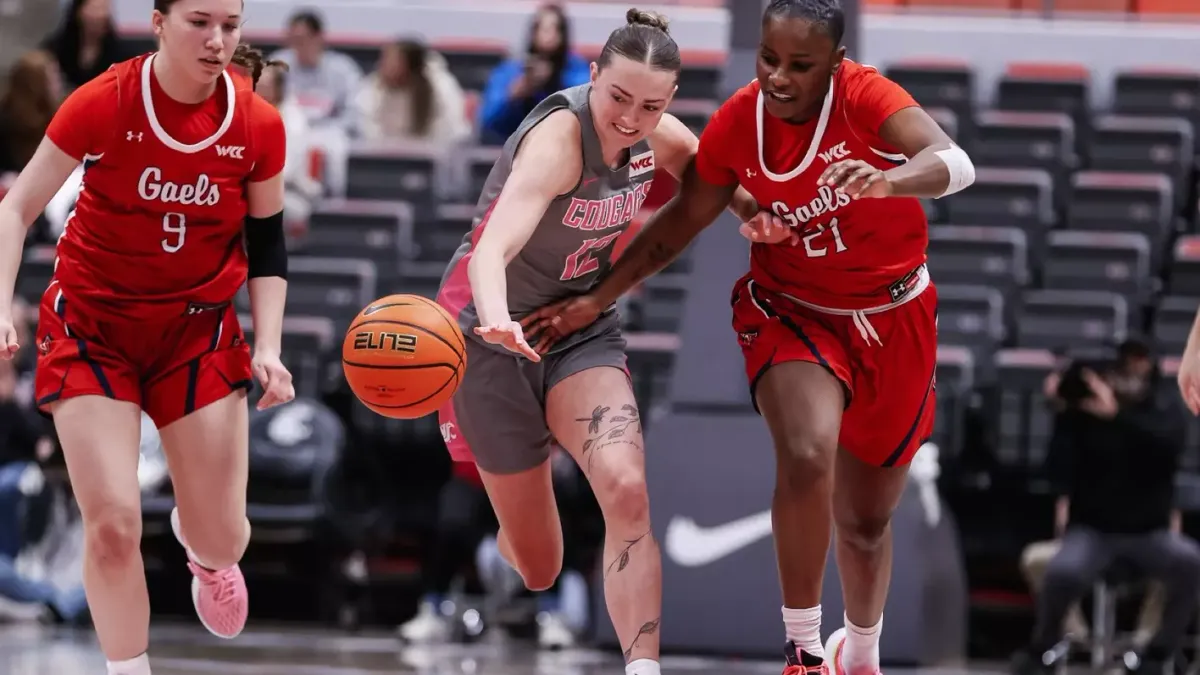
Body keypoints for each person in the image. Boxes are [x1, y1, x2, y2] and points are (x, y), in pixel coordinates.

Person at [521, 1, 977, 674]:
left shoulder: (867, 95)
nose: (779, 77)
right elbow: (680, 222)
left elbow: (956, 161)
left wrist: (889, 179)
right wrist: (596, 297)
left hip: (894, 316)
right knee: (805, 449)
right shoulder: (741, 120)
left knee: (868, 521)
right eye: (769, 59)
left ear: (834, 65)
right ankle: (803, 649)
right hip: (792, 310)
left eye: (800, 65)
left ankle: (862, 650)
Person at [435, 9, 763, 675]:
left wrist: (756, 213)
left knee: (627, 488)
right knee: (537, 563)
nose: (629, 118)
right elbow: (491, 248)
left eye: (649, 105)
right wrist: (496, 319)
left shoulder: (657, 134)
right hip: (490, 330)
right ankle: (513, 527)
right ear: (592, 77)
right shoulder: (560, 138)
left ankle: (642, 667)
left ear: (667, 101)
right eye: (617, 97)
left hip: (578, 328)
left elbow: (712, 171)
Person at [0, 0, 296, 673]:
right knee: (112, 525)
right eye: (200, 21)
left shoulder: (257, 125)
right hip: (93, 329)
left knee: (226, 536)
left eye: (230, 25)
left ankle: (205, 552)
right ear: (159, 21)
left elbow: (269, 248)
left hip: (196, 333)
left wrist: (271, 347)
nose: (217, 40)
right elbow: (15, 210)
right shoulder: (103, 100)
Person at [1017, 340, 1199, 675]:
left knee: (1190, 563)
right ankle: (1045, 647)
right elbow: (1054, 472)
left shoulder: (1162, 411)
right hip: (1093, 532)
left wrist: (1116, 416)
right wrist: (1062, 411)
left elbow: (1168, 449)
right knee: (1062, 572)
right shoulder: (1083, 416)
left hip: (1149, 534)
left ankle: (1157, 653)